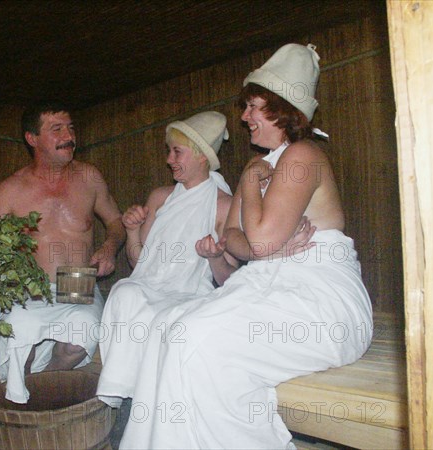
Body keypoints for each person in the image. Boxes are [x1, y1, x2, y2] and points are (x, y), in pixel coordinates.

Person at [120, 44, 373, 449]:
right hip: (269, 287)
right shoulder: (258, 168)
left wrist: (258, 220)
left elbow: (254, 238)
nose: (244, 117)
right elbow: (234, 243)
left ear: (282, 108)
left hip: (319, 302)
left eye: (254, 106)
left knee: (195, 338)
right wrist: (264, 239)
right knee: (166, 328)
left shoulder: (303, 156)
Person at [96, 111, 239, 410]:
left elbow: (228, 279)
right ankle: (126, 396)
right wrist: (132, 230)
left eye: (177, 152)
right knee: (125, 291)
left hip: (188, 294)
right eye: (169, 151)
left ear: (202, 156)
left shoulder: (224, 205)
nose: (169, 159)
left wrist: (213, 257)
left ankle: (151, 405)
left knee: (163, 320)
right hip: (149, 288)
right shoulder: (160, 197)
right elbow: (138, 263)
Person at [0, 102, 125, 404]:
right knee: (17, 334)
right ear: (32, 138)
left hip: (77, 280)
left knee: (84, 332)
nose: (69, 136)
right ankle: (19, 395)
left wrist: (108, 247)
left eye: (71, 128)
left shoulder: (89, 177)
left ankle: (42, 385)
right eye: (57, 129)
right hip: (31, 286)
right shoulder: (11, 189)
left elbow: (115, 222)